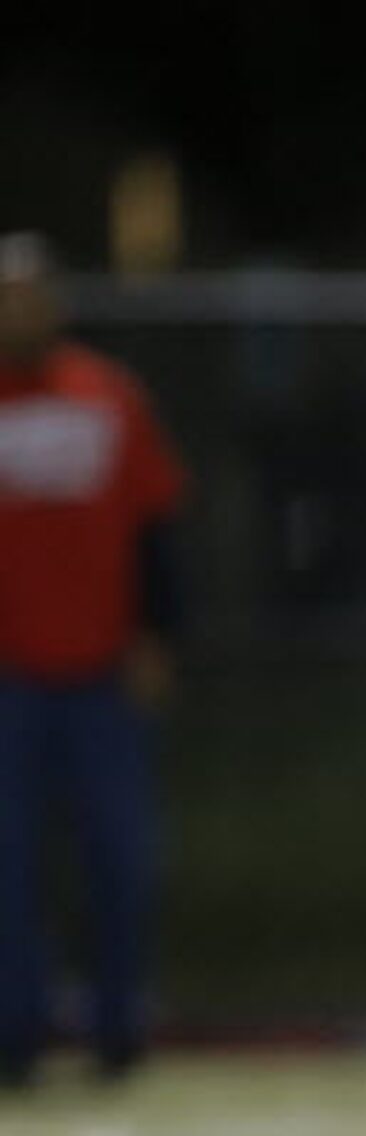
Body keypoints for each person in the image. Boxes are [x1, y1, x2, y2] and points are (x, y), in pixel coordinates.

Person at [0, 231, 185, 1088]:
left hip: (100, 673)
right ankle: (16, 1036)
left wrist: (157, 632)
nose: (18, 310)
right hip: (9, 676)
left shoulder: (108, 395)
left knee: (121, 860)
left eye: (30, 293)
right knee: (10, 867)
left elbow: (155, 524)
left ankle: (118, 1033)